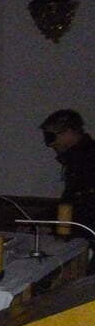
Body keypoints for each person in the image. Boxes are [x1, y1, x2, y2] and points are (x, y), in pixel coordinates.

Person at [40, 109, 95, 259]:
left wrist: (50, 224)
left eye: (51, 136)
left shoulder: (87, 159)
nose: (50, 144)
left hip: (87, 237)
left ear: (69, 132)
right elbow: (71, 200)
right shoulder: (78, 159)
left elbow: (83, 204)